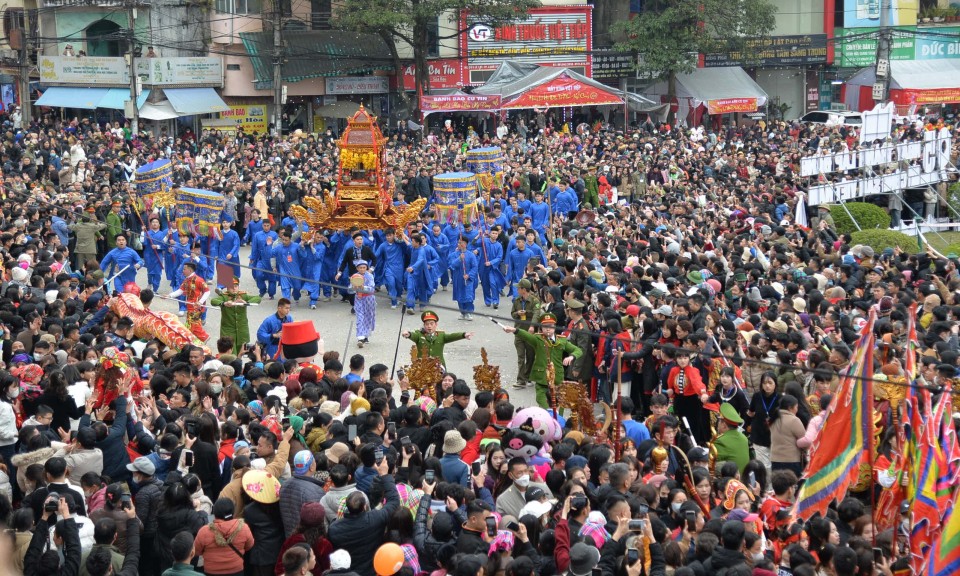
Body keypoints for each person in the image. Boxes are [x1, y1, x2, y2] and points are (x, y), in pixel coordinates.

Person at [326, 458, 399, 576]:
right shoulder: (375, 518)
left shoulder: (334, 528)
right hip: (370, 570)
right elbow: (394, 502)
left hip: (351, 570)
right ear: (365, 506)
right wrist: (385, 475)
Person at [502, 313, 582, 409]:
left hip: (557, 378)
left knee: (559, 403)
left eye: (550, 326)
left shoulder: (562, 341)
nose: (548, 329)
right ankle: (548, 413)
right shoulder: (537, 339)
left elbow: (578, 350)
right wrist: (514, 330)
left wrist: (571, 357)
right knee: (542, 401)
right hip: (542, 378)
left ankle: (557, 421)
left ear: (555, 327)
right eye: (545, 326)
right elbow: (526, 336)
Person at [402, 310, 472, 368]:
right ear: (424, 325)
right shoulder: (419, 335)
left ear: (436, 325)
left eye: (431, 324)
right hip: (422, 367)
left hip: (438, 366)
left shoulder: (441, 336)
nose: (429, 326)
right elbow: (413, 336)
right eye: (427, 324)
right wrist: (408, 334)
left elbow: (452, 336)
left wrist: (463, 335)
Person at [209, 279, 262, 355]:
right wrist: (224, 303)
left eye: (236, 286)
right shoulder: (224, 296)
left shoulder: (243, 296)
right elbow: (213, 301)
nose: (234, 288)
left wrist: (246, 303)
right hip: (228, 330)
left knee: (241, 352)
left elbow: (258, 298)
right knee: (230, 353)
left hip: (241, 330)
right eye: (231, 287)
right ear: (227, 288)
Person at [510, 279, 543, 389]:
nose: (517, 289)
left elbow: (536, 314)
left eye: (519, 288)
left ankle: (527, 376)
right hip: (519, 331)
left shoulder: (535, 301)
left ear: (524, 290)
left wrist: (532, 326)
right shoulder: (517, 301)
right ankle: (520, 380)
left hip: (530, 333)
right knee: (521, 357)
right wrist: (517, 313)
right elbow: (512, 313)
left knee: (530, 356)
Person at [169, 261, 210, 342]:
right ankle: (193, 340)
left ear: (190, 270)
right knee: (192, 325)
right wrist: (169, 295)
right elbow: (180, 290)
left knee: (193, 324)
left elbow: (207, 291)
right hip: (190, 306)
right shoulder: (186, 280)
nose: (183, 271)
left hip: (196, 308)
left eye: (184, 269)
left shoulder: (199, 280)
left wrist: (200, 302)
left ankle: (202, 338)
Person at [713, 402, 751, 474]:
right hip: (744, 479)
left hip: (732, 481)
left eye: (719, 421)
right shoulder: (744, 438)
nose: (717, 424)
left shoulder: (720, 441)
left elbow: (711, 463)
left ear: (724, 425)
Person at [448, 235, 478, 320]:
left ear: (466, 244)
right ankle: (462, 312)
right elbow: (452, 265)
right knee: (459, 296)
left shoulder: (471, 255)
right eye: (459, 242)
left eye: (462, 243)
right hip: (458, 278)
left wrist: (469, 275)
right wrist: (459, 259)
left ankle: (469, 312)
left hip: (468, 279)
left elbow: (475, 267)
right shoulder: (454, 255)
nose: (460, 244)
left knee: (468, 296)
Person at [350, 260, 376, 348]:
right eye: (360, 268)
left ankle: (366, 336)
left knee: (368, 317)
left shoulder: (370, 276)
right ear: (357, 268)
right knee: (360, 317)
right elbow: (349, 290)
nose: (362, 269)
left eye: (364, 267)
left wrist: (363, 287)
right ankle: (360, 338)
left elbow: (372, 288)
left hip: (369, 298)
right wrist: (353, 288)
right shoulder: (354, 277)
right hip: (358, 298)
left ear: (366, 268)